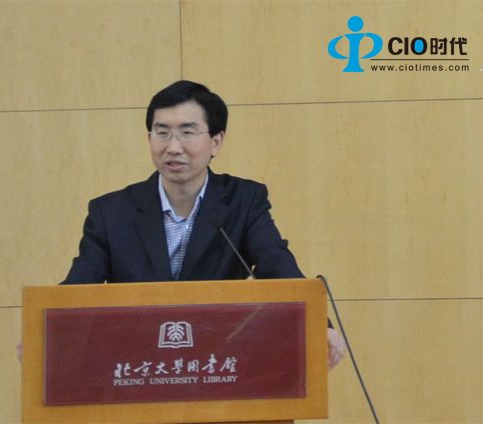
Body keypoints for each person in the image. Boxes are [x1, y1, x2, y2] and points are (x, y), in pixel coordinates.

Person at [23, 80, 345, 369]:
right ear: (149, 138)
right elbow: (80, 285)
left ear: (216, 141)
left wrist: (321, 326)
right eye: (162, 132)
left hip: (218, 364)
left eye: (187, 132)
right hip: (137, 367)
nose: (173, 147)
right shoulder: (111, 212)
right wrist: (43, 331)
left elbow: (278, 267)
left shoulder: (244, 201)